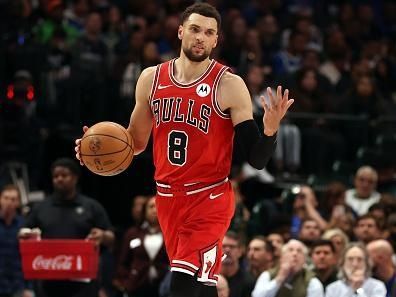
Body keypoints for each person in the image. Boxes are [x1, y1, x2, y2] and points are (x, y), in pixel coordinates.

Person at [75, 3, 293, 297]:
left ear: (216, 40)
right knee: (201, 286)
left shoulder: (228, 85)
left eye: (209, 32)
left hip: (209, 198)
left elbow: (257, 159)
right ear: (180, 32)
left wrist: (269, 129)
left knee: (181, 284)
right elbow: (135, 143)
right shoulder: (151, 79)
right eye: (194, 29)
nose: (200, 37)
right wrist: (96, 147)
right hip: (167, 198)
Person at [19, 158, 115, 297]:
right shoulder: (41, 207)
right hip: (48, 282)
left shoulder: (91, 207)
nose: (59, 179)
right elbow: (24, 232)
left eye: (64, 175)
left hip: (83, 283)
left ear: (75, 178)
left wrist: (103, 236)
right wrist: (24, 234)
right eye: (56, 176)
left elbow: (111, 238)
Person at [114, 196, 168, 297]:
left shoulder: (170, 233)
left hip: (163, 286)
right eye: (151, 206)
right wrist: (125, 282)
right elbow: (122, 262)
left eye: (157, 206)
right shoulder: (133, 233)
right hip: (136, 285)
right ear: (145, 211)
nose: (154, 210)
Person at [252, 239, 324, 297]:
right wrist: (280, 278)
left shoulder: (312, 282)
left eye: (299, 251)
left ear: (304, 260)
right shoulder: (267, 275)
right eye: (290, 250)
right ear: (282, 257)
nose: (295, 254)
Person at [0, 184, 33, 297]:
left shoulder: (24, 225)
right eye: (6, 198)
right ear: (0, 199)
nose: (9, 202)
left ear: (18, 203)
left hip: (18, 285)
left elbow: (29, 257)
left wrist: (29, 288)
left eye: (13, 199)